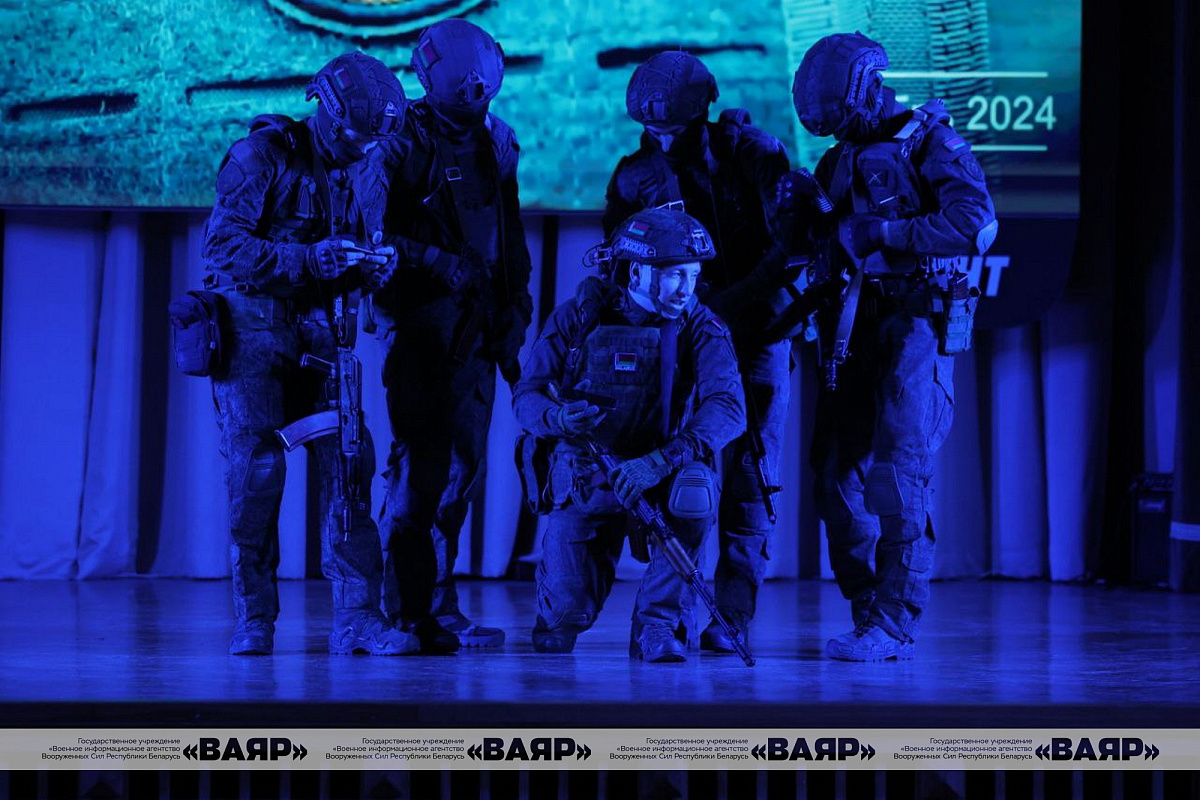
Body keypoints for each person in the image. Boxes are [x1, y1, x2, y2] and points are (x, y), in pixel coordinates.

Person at [789, 32, 998, 660]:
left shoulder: (931, 142)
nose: (834, 131)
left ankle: (893, 623)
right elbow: (826, 240)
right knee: (834, 478)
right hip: (851, 324)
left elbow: (975, 223)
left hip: (915, 322)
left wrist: (886, 232)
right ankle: (867, 610)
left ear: (866, 90)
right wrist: (801, 219)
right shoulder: (841, 156)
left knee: (899, 475)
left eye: (838, 115)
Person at [202, 52, 416, 656]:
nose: (361, 148)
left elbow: (363, 245)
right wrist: (306, 260)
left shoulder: (368, 164)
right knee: (257, 476)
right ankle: (254, 620)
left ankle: (358, 619)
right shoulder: (261, 155)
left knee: (350, 470)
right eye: (352, 135)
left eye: (371, 140)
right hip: (253, 336)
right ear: (324, 110)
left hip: (326, 339)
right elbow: (221, 247)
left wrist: (375, 268)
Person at [603, 51, 792, 653]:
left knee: (750, 480)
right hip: (679, 343)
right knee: (689, 480)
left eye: (674, 128)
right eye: (651, 128)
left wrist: (729, 305)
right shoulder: (634, 177)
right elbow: (618, 268)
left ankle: (732, 615)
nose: (661, 138)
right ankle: (673, 618)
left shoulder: (752, 155)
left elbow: (789, 248)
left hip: (757, 334)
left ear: (702, 112)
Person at [359, 19, 533, 651]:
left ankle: (436, 603)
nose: (475, 107)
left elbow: (509, 238)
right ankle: (405, 610)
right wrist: (438, 263)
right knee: (419, 472)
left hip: (478, 328)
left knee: (461, 473)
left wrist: (515, 311)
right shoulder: (397, 141)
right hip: (419, 329)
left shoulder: (497, 141)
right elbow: (369, 236)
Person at [512, 208, 746, 663]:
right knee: (562, 624)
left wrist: (661, 460)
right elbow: (527, 396)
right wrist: (559, 419)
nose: (686, 289)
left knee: (695, 489)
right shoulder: (580, 316)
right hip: (589, 472)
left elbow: (728, 407)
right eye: (674, 275)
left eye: (693, 276)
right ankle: (562, 610)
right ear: (637, 272)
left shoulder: (700, 325)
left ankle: (658, 624)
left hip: (662, 470)